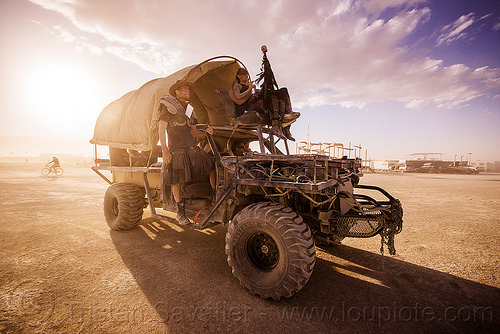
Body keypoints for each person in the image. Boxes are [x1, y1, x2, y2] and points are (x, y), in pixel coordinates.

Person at [158, 80, 215, 225]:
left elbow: (194, 132)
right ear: (176, 91)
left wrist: (206, 133)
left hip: (191, 149)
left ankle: (214, 198)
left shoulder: (190, 109)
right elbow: (161, 129)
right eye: (183, 89)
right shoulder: (168, 105)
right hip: (176, 150)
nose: (187, 91)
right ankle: (180, 213)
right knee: (177, 181)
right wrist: (164, 151)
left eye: (188, 89)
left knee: (212, 165)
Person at [229, 68, 300, 140]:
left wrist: (259, 90)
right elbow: (238, 97)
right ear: (238, 76)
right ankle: (277, 125)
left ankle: (287, 116)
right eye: (244, 74)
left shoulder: (249, 86)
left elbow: (254, 93)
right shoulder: (237, 85)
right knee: (272, 98)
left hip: (255, 98)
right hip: (250, 105)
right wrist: (249, 89)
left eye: (247, 74)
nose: (246, 76)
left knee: (282, 92)